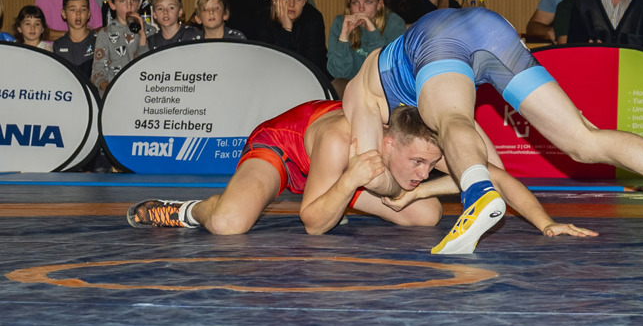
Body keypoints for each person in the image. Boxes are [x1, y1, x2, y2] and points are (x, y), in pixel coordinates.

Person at [343, 7, 643, 255]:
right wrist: (543, 222)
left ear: (389, 139)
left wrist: (413, 189)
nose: (419, 171)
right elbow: (493, 172)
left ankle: (475, 199)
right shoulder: (431, 106)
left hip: (437, 36)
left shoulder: (360, 95)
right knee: (583, 139)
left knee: (449, 120)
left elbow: (373, 174)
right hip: (492, 28)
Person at [127, 101, 596, 241]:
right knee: (230, 225)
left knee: (426, 214)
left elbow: (497, 174)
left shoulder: (420, 140)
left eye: (430, 164)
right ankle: (188, 210)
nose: (423, 171)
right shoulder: (343, 141)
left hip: (344, 172)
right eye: (416, 163)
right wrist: (350, 179)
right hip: (284, 149)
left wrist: (546, 222)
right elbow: (310, 225)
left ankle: (343, 197)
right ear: (387, 144)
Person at [327, 0, 405, 95]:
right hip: (351, 87)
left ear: (379, 4)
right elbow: (339, 73)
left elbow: (386, 71)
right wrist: (344, 37)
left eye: (368, 2)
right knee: (337, 84)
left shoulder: (395, 24)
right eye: (355, 3)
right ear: (349, 6)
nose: (361, 8)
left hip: (383, 87)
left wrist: (373, 33)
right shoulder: (340, 23)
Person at [91, 0, 155, 96]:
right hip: (114, 94)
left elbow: (148, 66)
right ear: (112, 4)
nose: (129, 6)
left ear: (139, 3)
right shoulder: (105, 34)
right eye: (122, 1)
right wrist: (109, 87)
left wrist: (142, 36)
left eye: (133, 0)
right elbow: (97, 72)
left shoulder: (151, 31)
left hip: (141, 93)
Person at [260, 0, 327, 74]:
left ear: (305, 1)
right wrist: (286, 29)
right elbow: (268, 63)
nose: (291, 4)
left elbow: (313, 65)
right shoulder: (263, 18)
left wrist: (287, 28)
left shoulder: (313, 19)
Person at [53, 0, 97, 81]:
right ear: (64, 14)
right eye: (72, 10)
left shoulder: (98, 41)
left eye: (83, 9)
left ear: (89, 13)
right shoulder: (58, 45)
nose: (78, 13)